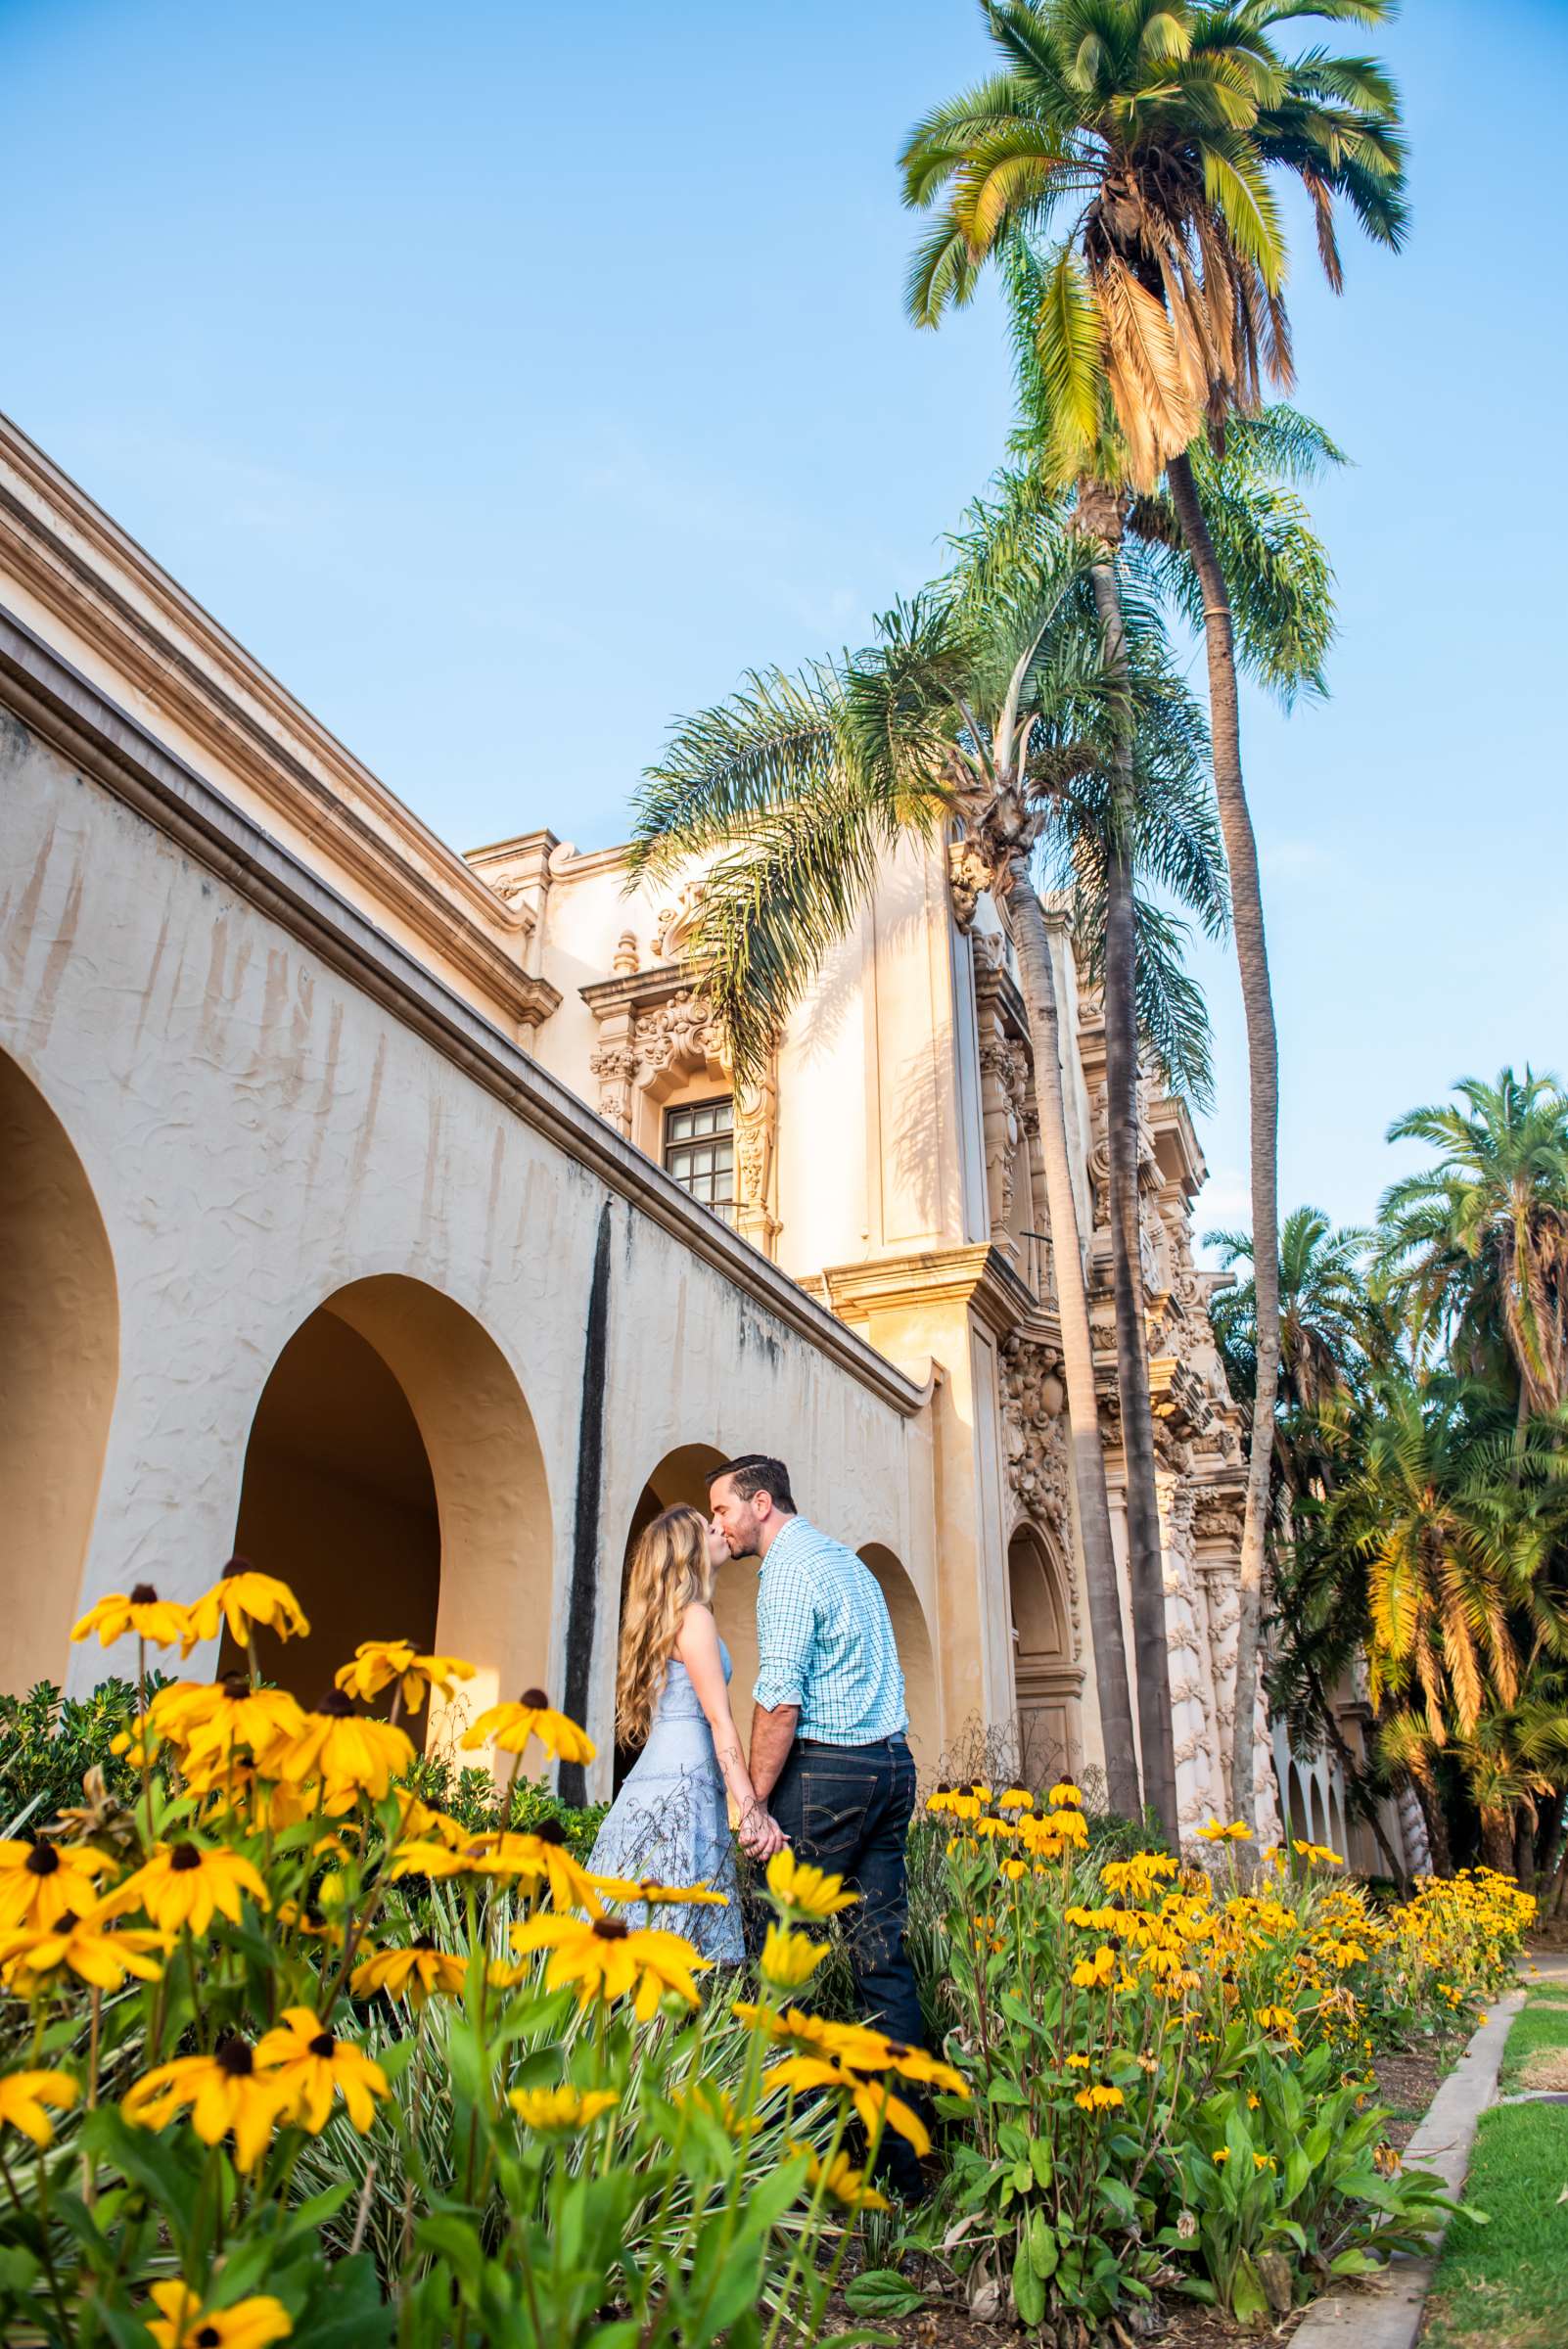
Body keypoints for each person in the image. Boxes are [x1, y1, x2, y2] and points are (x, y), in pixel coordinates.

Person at [707, 1453, 927, 2196]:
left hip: (831, 1773)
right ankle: (901, 2168)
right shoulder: (846, 1564)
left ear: (760, 1503)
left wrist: (755, 1803)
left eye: (723, 1511)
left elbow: (779, 1701)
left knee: (782, 1961)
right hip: (893, 1768)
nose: (719, 1525)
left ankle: (783, 2163)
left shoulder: (790, 1571)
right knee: (883, 1965)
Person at [588, 1502, 783, 1959]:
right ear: (687, 1551)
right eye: (706, 1525)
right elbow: (720, 1719)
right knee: (674, 1939)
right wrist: (751, 1809)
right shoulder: (694, 1617)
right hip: (684, 1785)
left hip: (652, 1781)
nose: (718, 1527)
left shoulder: (669, 1618)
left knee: (642, 1929)